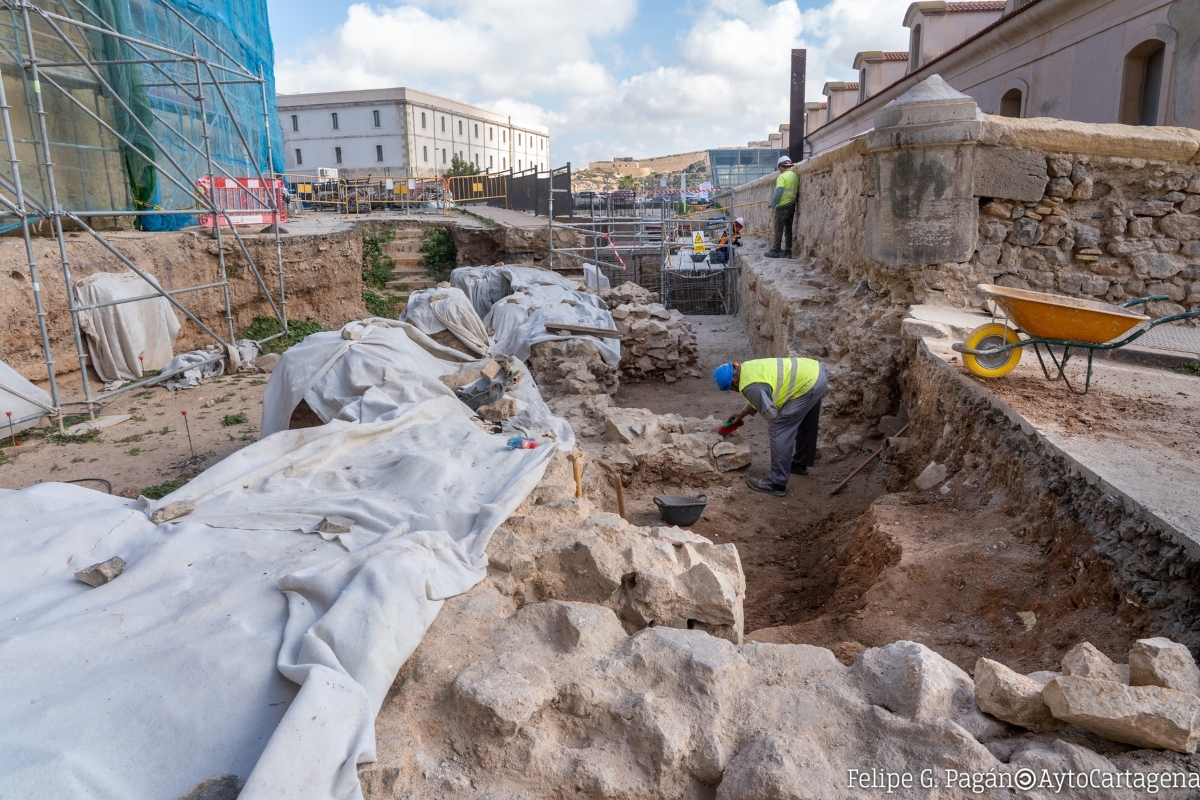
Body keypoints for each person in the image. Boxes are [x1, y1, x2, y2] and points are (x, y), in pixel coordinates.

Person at [713, 356, 827, 497]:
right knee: (806, 420)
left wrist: (778, 423)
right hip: (816, 373)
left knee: (778, 427)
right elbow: (761, 392)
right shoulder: (747, 369)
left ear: (735, 381)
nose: (733, 390)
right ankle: (800, 463)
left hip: (807, 384)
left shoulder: (750, 387)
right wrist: (742, 414)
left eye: (731, 388)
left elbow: (771, 414)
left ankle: (777, 482)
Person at [766, 156, 798, 259]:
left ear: (781, 167)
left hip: (782, 206)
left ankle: (776, 251)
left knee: (778, 229)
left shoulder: (782, 177)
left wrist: (772, 204)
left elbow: (779, 192)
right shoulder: (795, 176)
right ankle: (788, 252)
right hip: (792, 205)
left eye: (779, 168)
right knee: (788, 229)